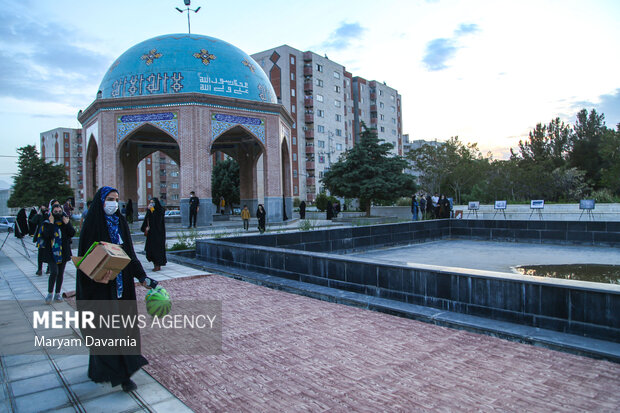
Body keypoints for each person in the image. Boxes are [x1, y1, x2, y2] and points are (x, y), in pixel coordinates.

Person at [76, 186, 151, 393]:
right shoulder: (92, 225)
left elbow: (130, 255)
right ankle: (113, 373)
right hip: (100, 289)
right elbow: (84, 262)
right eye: (110, 199)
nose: (113, 203)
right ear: (101, 202)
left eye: (116, 199)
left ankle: (124, 372)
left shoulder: (120, 224)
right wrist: (96, 278)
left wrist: (142, 277)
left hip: (122, 287)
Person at [42, 202, 75, 303]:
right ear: (52, 212)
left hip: (63, 252)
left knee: (60, 273)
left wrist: (67, 223)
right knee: (54, 272)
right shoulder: (47, 222)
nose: (58, 213)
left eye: (60, 211)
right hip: (52, 253)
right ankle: (50, 293)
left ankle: (57, 294)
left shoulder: (64, 222)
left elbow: (72, 233)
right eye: (55, 211)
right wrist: (52, 223)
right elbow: (47, 235)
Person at [141, 198, 166, 271]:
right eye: (150, 202)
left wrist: (152, 210)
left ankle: (157, 265)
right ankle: (155, 264)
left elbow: (158, 221)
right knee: (150, 250)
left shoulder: (160, 210)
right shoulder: (150, 211)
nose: (151, 204)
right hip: (151, 235)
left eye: (153, 202)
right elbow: (146, 220)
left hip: (158, 235)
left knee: (157, 250)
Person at [32, 205, 49, 276]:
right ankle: (40, 269)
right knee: (41, 253)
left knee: (48, 253)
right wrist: (38, 213)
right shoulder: (40, 216)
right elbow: (33, 221)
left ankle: (48, 268)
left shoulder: (49, 215)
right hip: (41, 237)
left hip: (48, 237)